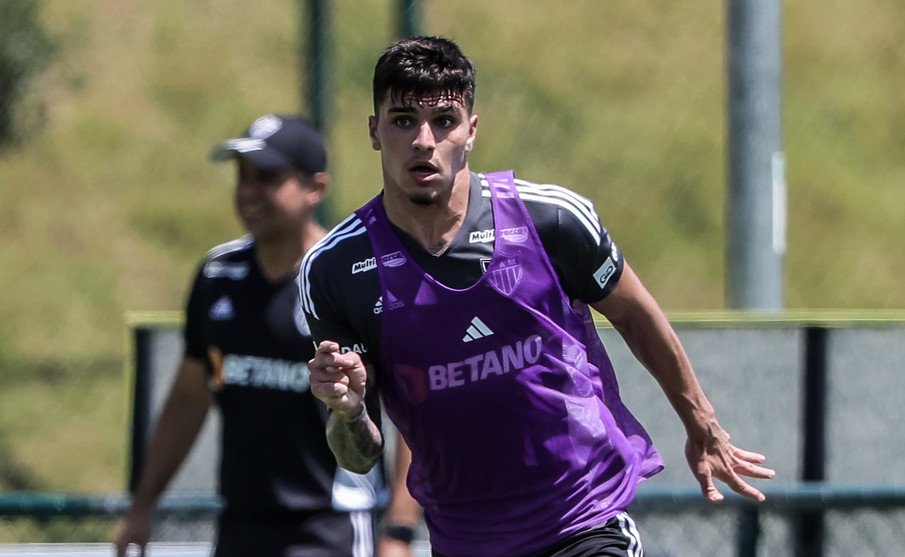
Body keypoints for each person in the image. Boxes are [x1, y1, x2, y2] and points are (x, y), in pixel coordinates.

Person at [299, 36, 776, 557]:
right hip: (466, 542)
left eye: (444, 121)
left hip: (583, 521)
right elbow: (359, 456)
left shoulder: (551, 220)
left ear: (471, 130)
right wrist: (347, 412)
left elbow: (637, 316)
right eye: (403, 120)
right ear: (374, 131)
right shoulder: (336, 270)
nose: (423, 141)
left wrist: (701, 422)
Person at [115, 113, 419, 557]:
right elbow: (188, 398)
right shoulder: (218, 275)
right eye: (243, 176)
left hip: (330, 527)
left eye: (268, 177)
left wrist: (398, 531)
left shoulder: (349, 277)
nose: (249, 191)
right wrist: (143, 506)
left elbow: (412, 408)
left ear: (316, 188)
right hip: (240, 525)